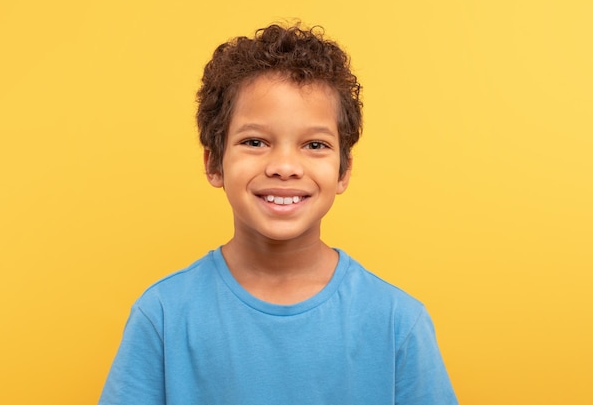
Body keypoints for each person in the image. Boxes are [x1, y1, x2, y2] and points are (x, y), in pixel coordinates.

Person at [98, 23, 458, 405]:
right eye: (255, 142)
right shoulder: (164, 316)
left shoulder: (397, 322)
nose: (284, 166)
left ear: (344, 170)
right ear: (214, 163)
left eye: (314, 144)